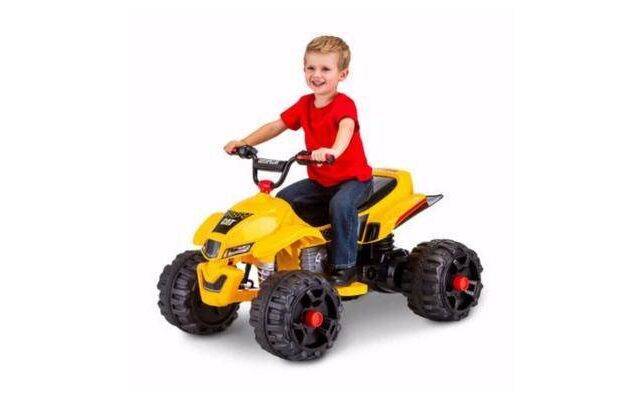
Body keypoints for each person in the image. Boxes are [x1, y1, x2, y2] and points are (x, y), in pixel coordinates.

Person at [223, 35, 373, 285]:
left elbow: (346, 129)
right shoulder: (305, 104)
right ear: (304, 69)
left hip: (354, 181)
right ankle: (299, 252)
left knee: (341, 205)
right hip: (321, 182)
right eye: (311, 68)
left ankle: (345, 265)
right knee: (284, 201)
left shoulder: (344, 104)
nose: (317, 75)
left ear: (342, 74)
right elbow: (276, 126)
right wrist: (244, 142)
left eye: (325, 69)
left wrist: (333, 151)